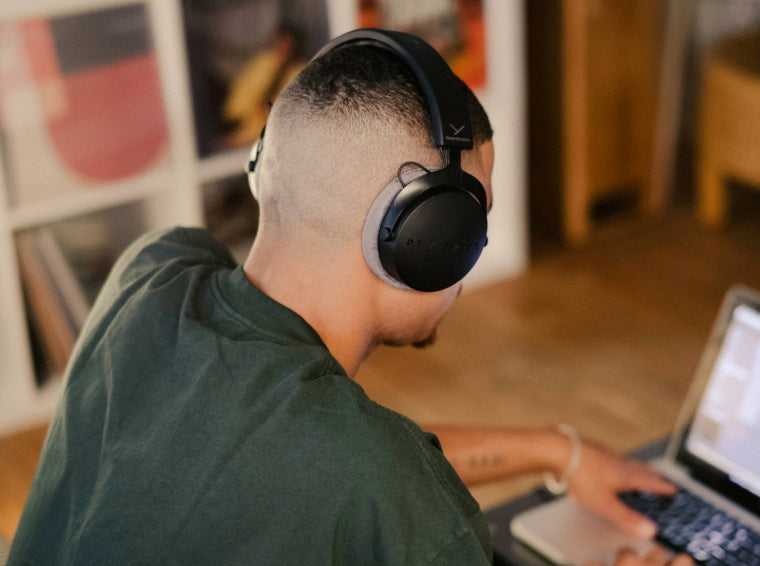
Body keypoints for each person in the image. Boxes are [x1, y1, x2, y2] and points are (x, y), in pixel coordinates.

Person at [9, 31, 689, 565]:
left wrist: (557, 451)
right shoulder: (370, 472)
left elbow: (347, 469)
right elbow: (367, 472)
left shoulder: (152, 272)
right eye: (469, 226)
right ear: (422, 237)